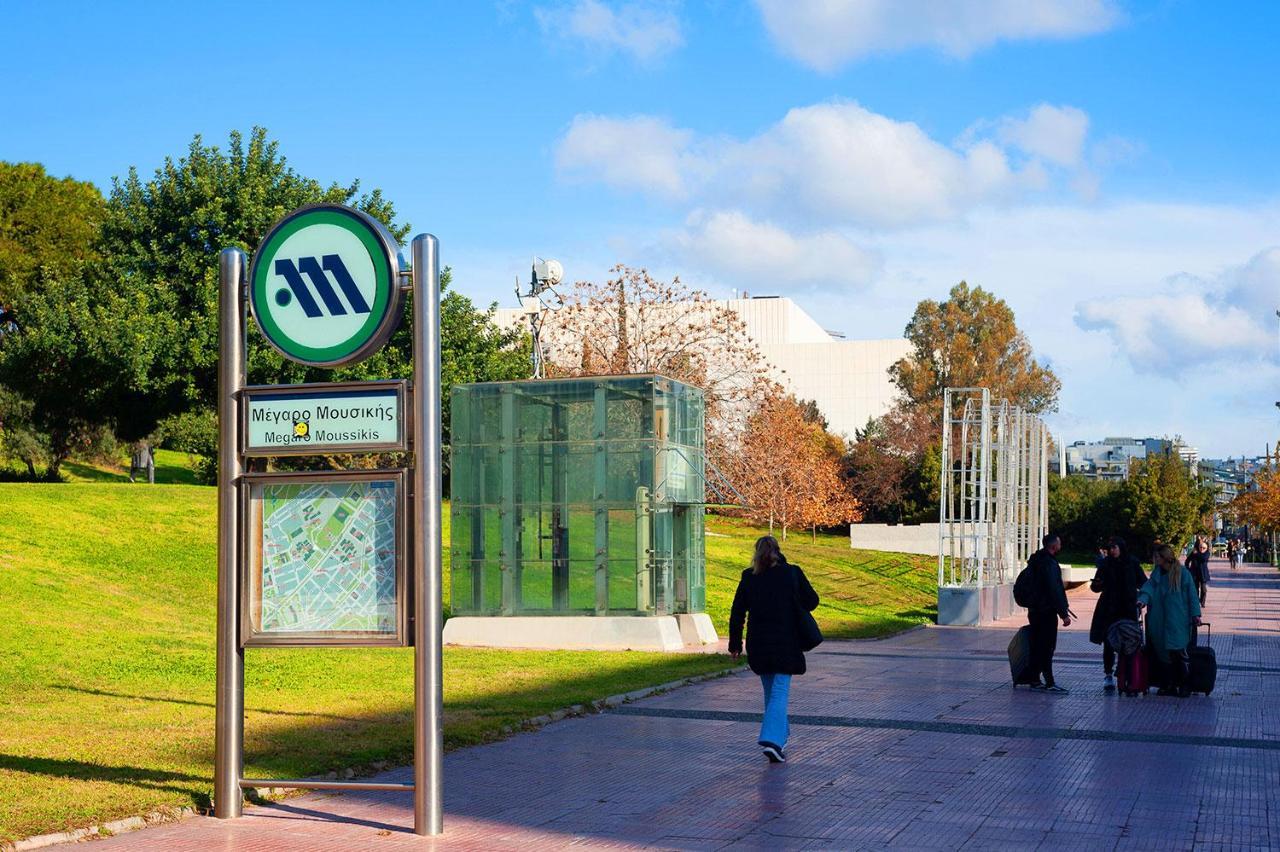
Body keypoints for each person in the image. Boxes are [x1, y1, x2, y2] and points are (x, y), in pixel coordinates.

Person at [728, 535, 819, 764]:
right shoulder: (791, 573)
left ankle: (782, 735)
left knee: (771, 694)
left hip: (758, 644)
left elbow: (737, 612)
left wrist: (735, 644)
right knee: (779, 693)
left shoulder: (749, 577)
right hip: (785, 643)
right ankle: (772, 741)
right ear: (778, 551)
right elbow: (812, 601)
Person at [1138, 544, 1203, 697]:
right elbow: (1149, 588)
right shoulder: (1157, 574)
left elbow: (1192, 595)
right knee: (1163, 652)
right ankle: (1169, 684)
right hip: (1159, 618)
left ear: (1164, 558)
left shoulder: (1183, 574)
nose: (1154, 560)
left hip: (1177, 618)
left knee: (1179, 651)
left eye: (1157, 557)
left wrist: (1196, 614)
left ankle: (1184, 684)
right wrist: (1142, 600)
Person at [1089, 536, 1146, 692]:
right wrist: (1097, 584)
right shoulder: (1106, 564)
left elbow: (1143, 582)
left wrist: (1142, 599)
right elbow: (1095, 587)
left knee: (1129, 641)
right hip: (1109, 608)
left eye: (1114, 547)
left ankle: (1128, 675)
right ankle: (1108, 674)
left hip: (1128, 607)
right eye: (1110, 548)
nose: (1112, 551)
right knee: (1109, 642)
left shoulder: (1132, 563)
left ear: (1121, 547)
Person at [1024, 533, 1072, 694]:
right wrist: (1063, 613)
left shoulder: (1036, 560)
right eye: (1059, 543)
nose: (1061, 545)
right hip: (1046, 612)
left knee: (1037, 645)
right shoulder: (1049, 564)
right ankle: (1049, 682)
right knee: (1047, 647)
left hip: (1034, 610)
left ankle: (1035, 680)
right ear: (1053, 546)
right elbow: (1054, 590)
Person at [1185, 538, 1211, 608]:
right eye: (1201, 547)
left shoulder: (1207, 553)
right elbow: (1187, 561)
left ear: (1206, 548)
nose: (1202, 549)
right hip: (1194, 574)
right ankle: (1196, 602)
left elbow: (1204, 559)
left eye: (1204, 548)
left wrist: (1196, 553)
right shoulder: (1194, 553)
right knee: (1195, 589)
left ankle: (1202, 602)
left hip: (1203, 574)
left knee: (1204, 589)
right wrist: (1188, 569)